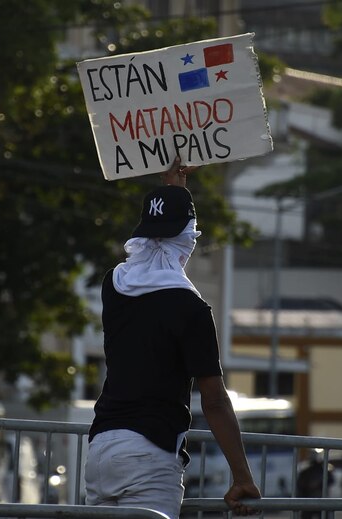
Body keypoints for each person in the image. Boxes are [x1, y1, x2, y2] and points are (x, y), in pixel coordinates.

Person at [84, 156, 261, 519]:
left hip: (101, 450)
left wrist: (172, 191)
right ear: (187, 240)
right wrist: (242, 476)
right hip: (150, 455)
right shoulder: (190, 309)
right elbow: (213, 401)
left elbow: (161, 241)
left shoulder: (113, 287)